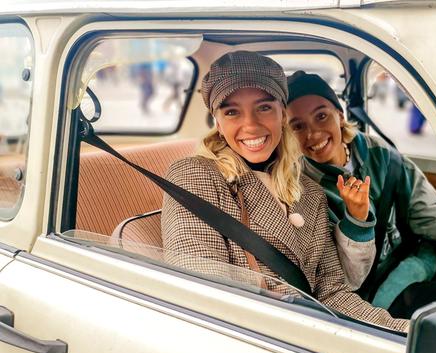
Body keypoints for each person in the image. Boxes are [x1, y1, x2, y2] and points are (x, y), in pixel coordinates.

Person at [161, 51, 408, 332]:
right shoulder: (194, 176)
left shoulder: (310, 192)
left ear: (282, 113)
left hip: (313, 332)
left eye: (264, 107)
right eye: (231, 112)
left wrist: (398, 333)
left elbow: (333, 293)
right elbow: (205, 296)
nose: (251, 125)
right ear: (217, 122)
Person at [285, 71, 436, 318]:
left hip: (416, 258)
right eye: (298, 126)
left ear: (340, 115)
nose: (313, 134)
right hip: (376, 294)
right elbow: (344, 278)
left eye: (321, 116)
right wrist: (356, 222)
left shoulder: (378, 153)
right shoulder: (304, 190)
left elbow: (426, 211)